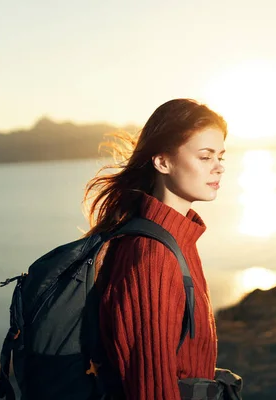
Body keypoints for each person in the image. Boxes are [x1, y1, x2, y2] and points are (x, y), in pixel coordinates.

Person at [82, 98, 227, 399]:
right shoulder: (151, 257)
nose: (218, 168)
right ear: (162, 162)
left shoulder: (176, 237)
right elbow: (149, 388)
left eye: (221, 157)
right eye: (205, 157)